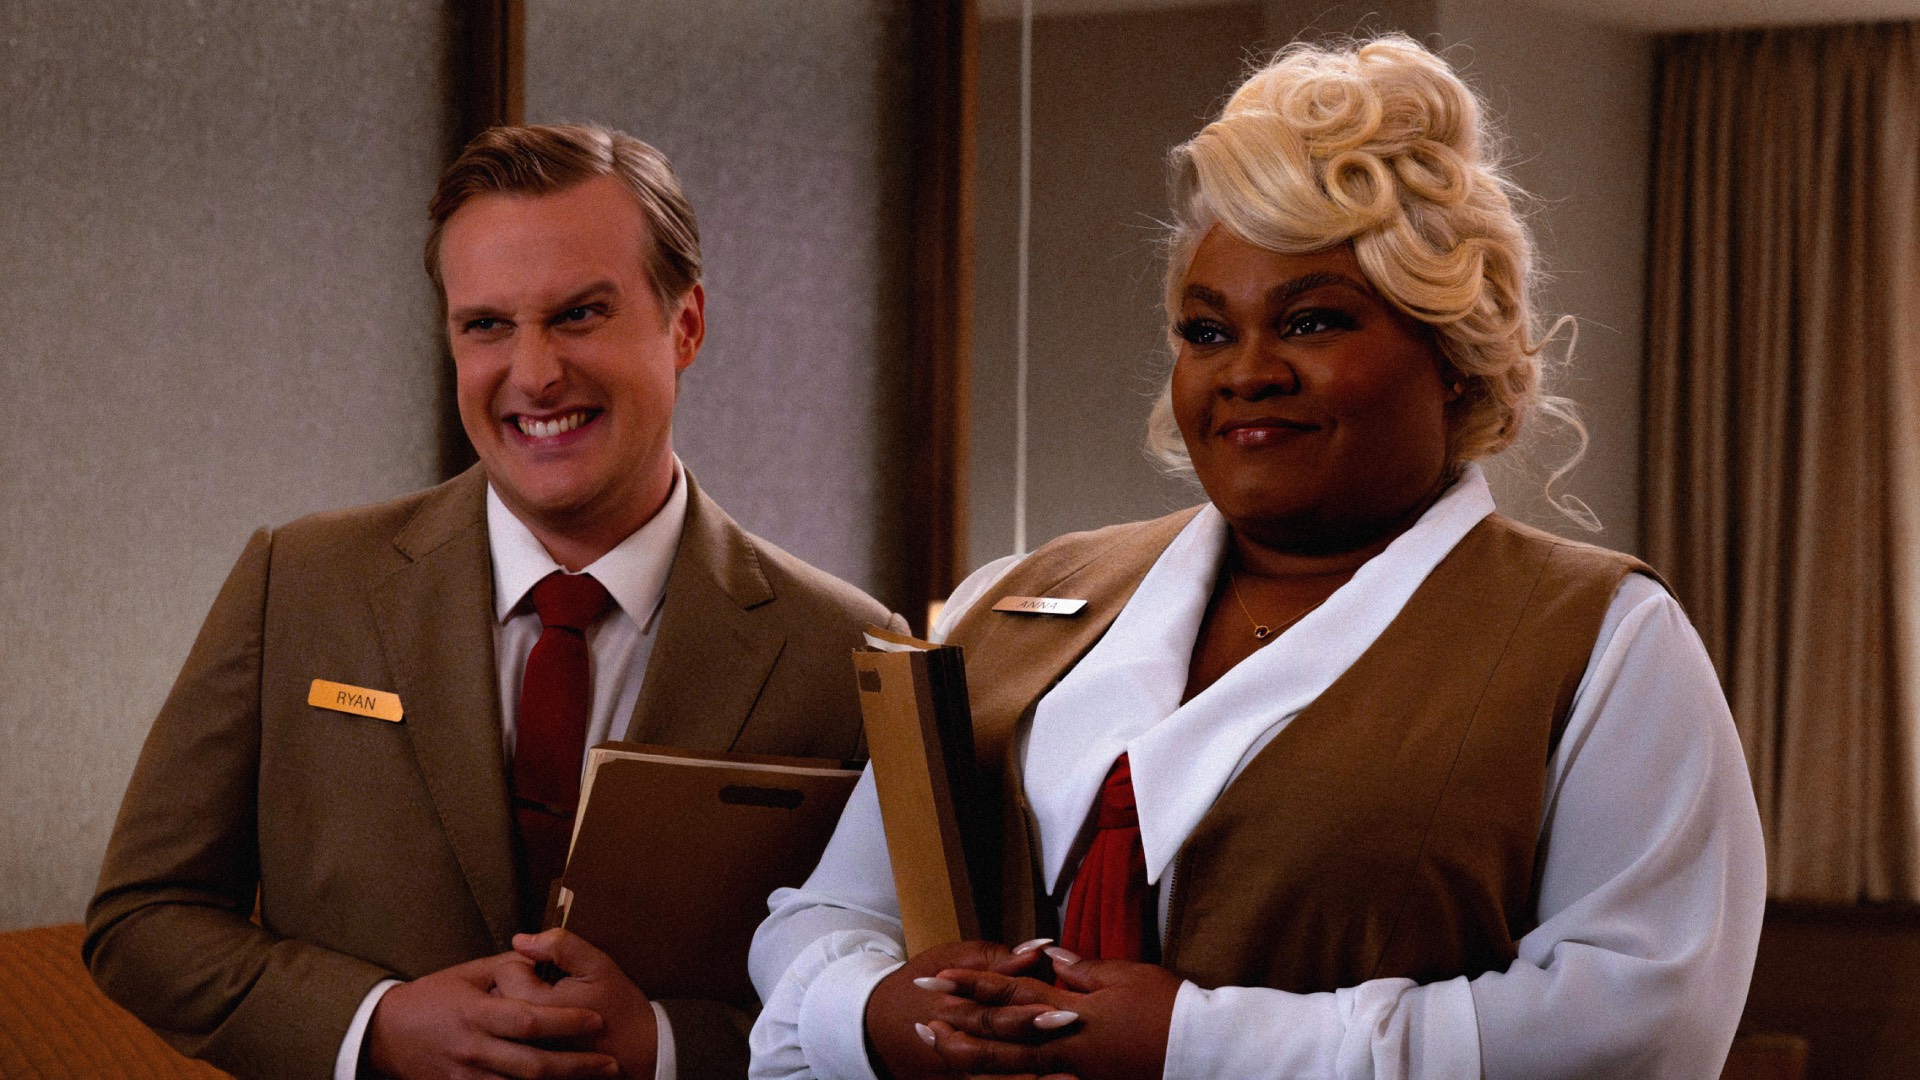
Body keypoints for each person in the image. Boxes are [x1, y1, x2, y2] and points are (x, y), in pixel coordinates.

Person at [747, 35, 1765, 1080]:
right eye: (1205, 331)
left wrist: (1197, 1043)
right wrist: (876, 1009)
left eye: (1312, 321)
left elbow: (1645, 1024)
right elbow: (820, 917)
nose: (1248, 374)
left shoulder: (1601, 640)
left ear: (1454, 360)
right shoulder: (1012, 600)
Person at [86, 124, 899, 1080]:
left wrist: (668, 1048)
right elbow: (141, 921)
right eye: (487, 326)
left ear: (686, 325)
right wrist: (376, 1025)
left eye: (580, 314)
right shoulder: (297, 581)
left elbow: (874, 989)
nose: (535, 372)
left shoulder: (848, 650)